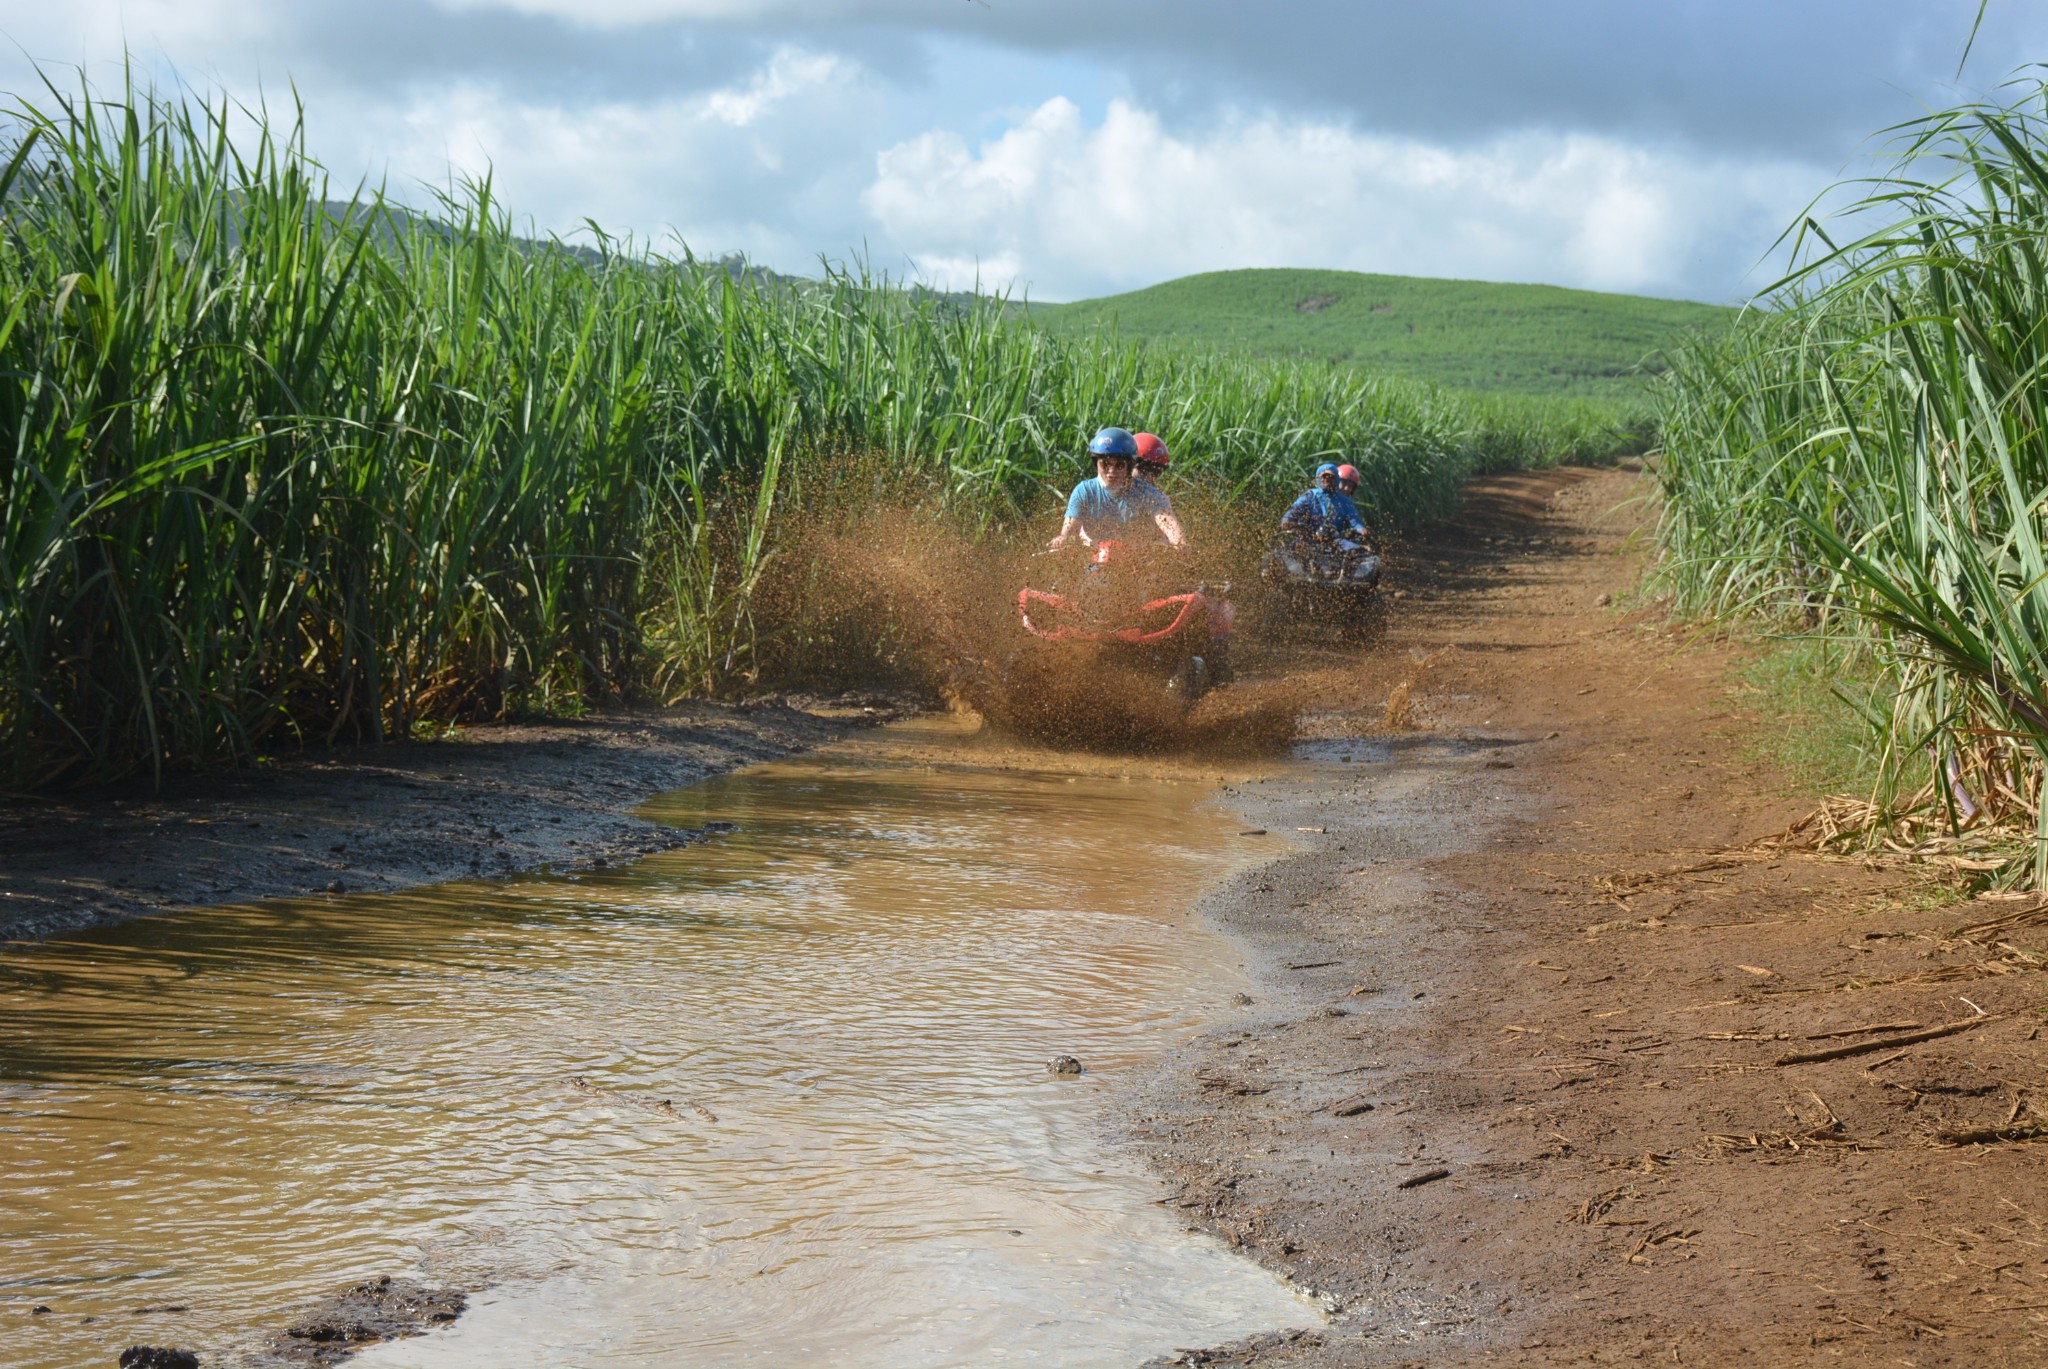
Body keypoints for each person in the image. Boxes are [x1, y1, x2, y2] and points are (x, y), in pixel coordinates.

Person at [1049, 427, 1186, 550]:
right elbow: (1069, 531)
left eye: (1119, 465)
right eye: (1105, 464)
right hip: (1095, 557)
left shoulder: (1149, 494)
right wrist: (1062, 539)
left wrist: (1181, 545)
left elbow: (1170, 526)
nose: (1111, 471)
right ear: (1096, 464)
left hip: (1139, 561)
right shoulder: (1083, 491)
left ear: (1130, 466)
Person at [1280, 462, 1370, 546]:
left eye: (1331, 478)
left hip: (1335, 540)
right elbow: (1295, 510)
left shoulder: (1346, 501)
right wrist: (1287, 519)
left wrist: (1361, 529)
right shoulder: (1310, 495)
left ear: (1336, 479)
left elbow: (1354, 520)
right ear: (1318, 479)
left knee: (1356, 550)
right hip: (1309, 537)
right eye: (1324, 477)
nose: (1327, 480)